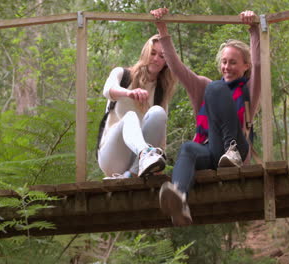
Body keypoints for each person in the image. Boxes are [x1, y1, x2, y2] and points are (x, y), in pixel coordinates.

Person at [150, 8, 261, 226]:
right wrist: (162, 29)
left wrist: (254, 29)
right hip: (211, 151)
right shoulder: (204, 87)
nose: (227, 67)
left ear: (245, 66)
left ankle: (233, 151)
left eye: (233, 62)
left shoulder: (249, 88)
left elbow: (258, 65)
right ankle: (180, 201)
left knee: (216, 88)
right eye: (224, 62)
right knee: (187, 148)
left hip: (238, 148)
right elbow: (177, 68)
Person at [97, 34, 177, 180]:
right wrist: (129, 93)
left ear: (166, 61)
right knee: (130, 116)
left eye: (161, 56)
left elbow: (161, 133)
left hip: (136, 163)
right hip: (112, 157)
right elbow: (108, 90)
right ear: (145, 53)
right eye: (152, 53)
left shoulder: (160, 91)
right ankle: (145, 153)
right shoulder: (122, 74)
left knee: (158, 113)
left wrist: (161, 157)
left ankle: (132, 174)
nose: (156, 59)